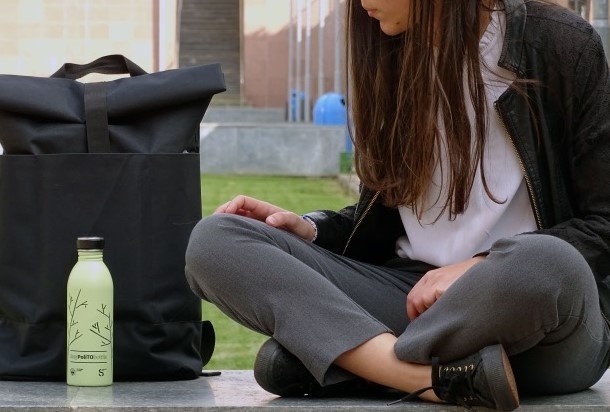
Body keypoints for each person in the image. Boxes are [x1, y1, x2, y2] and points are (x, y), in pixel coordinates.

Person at [185, 0, 610, 410]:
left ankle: (356, 360)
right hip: (410, 299)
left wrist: (478, 265)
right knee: (216, 240)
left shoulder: (560, 43)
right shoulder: (394, 52)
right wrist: (311, 230)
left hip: (533, 312)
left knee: (549, 262)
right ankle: (431, 379)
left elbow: (603, 224)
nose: (359, 3)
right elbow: (386, 221)